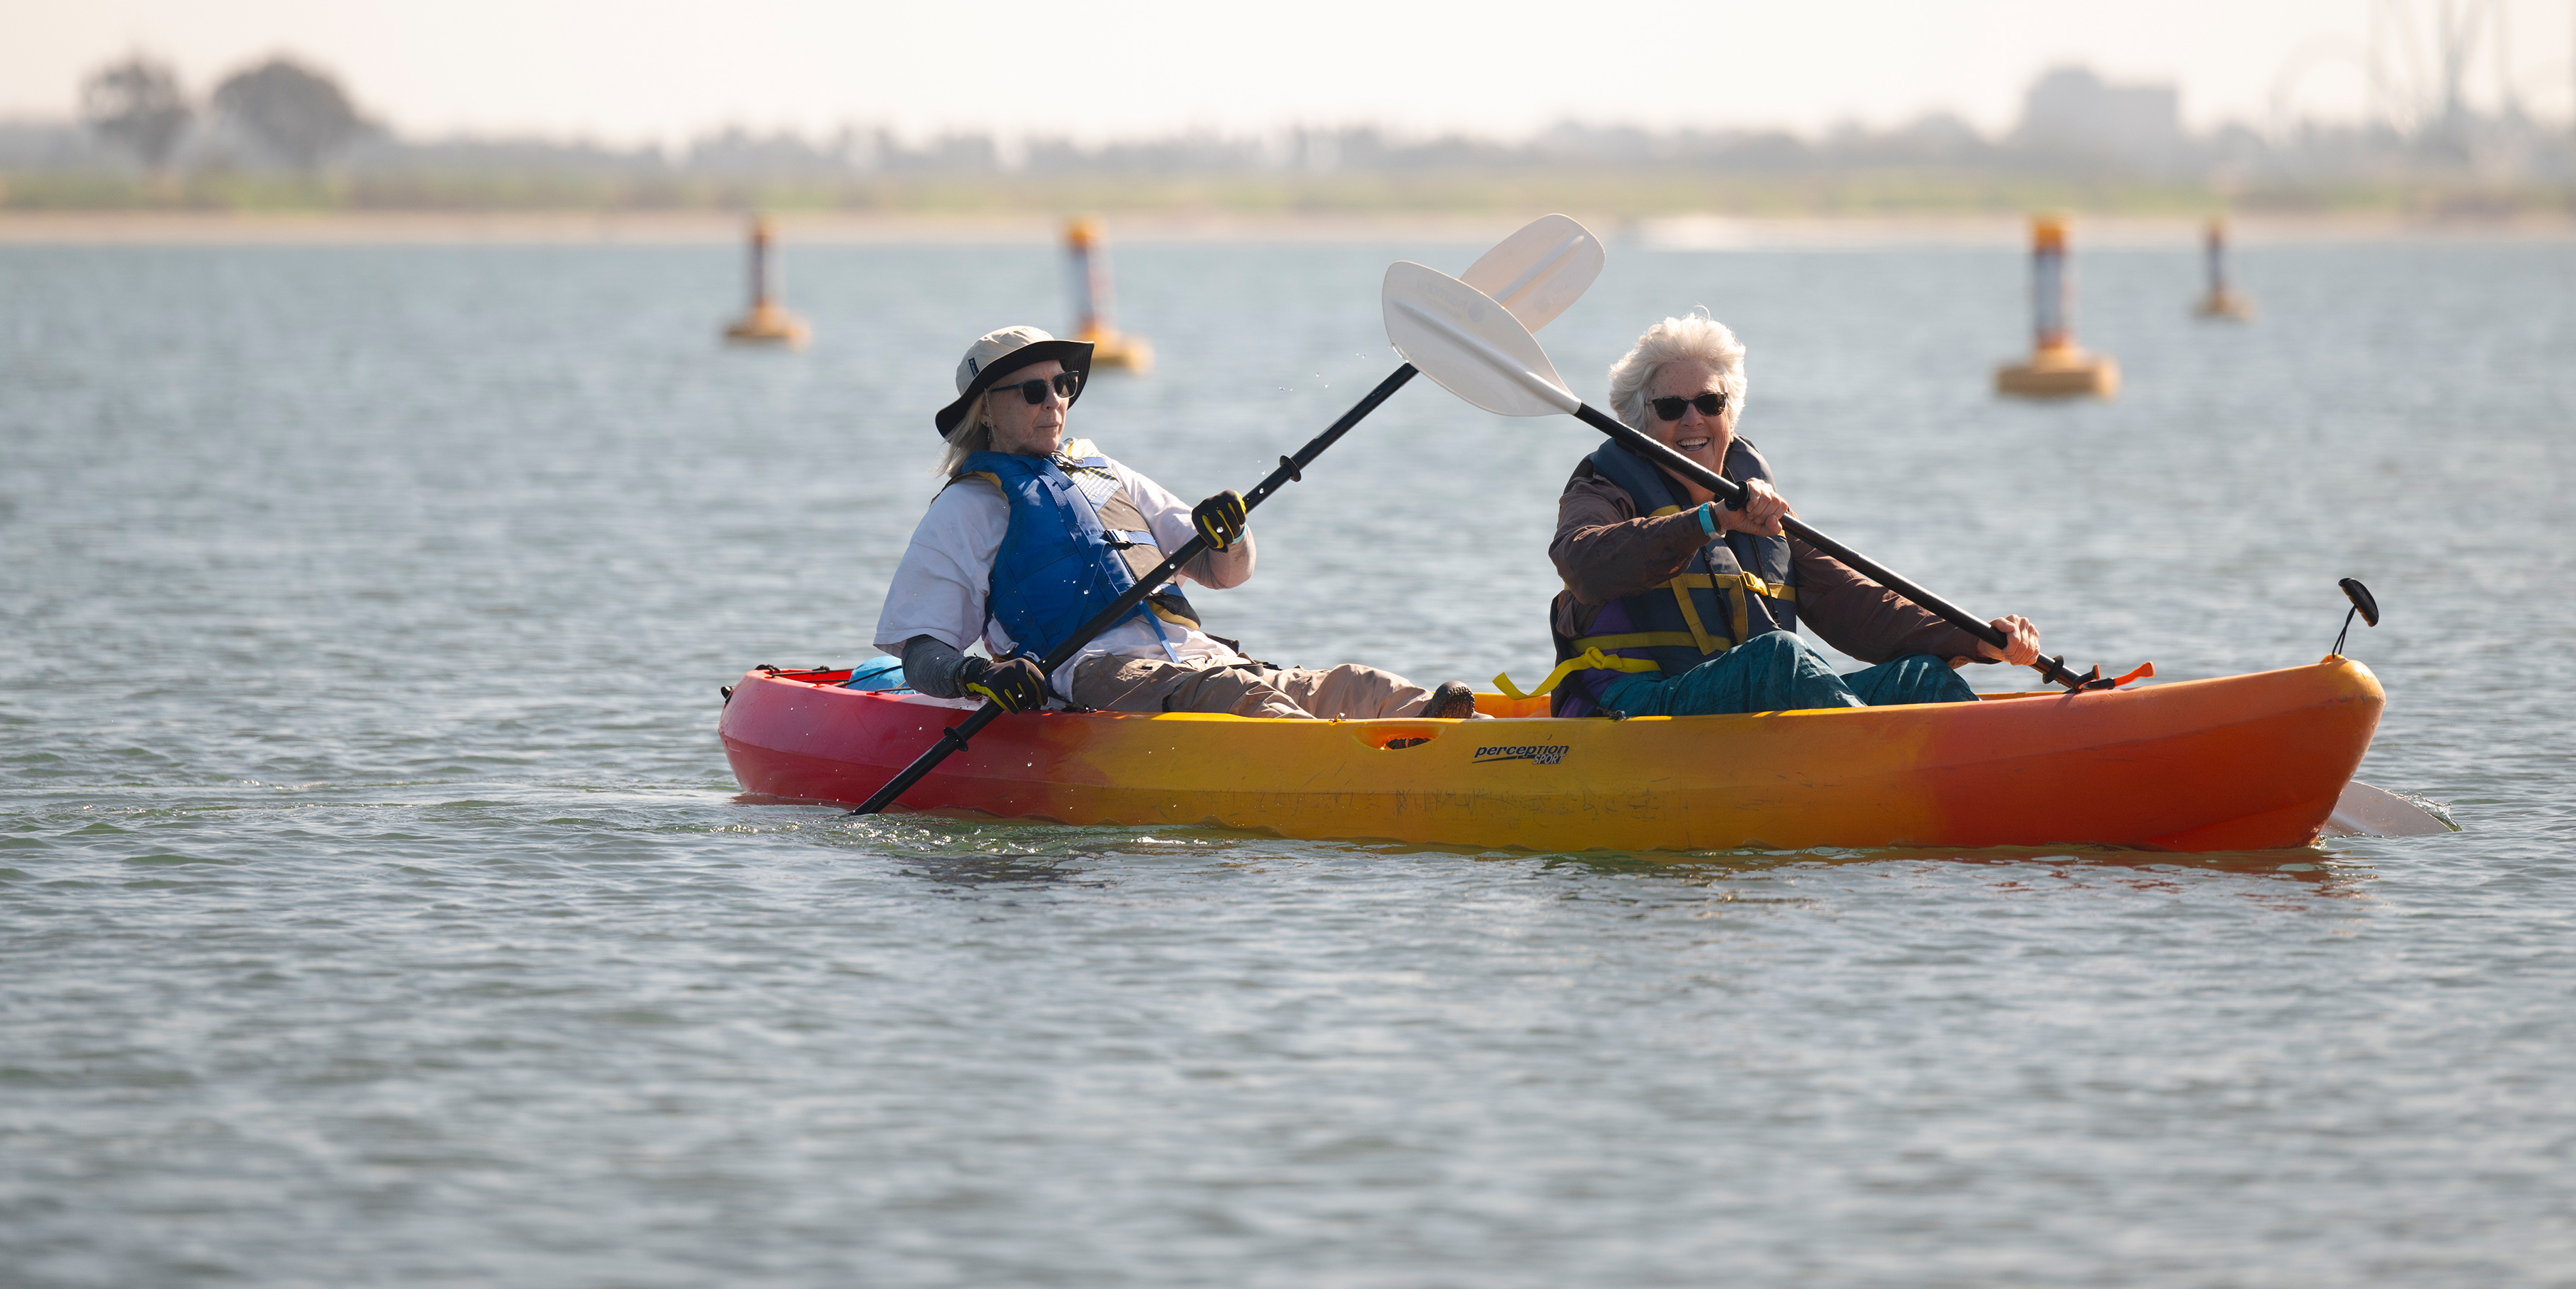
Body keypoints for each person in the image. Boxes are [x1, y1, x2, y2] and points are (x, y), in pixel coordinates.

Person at [876, 326, 1480, 720]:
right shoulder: (966, 508)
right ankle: (1350, 764)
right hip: (1092, 674)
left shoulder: (1104, 473)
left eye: (1063, 384)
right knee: (1234, 697)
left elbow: (1223, 572)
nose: (1055, 401)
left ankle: (1464, 738)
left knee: (1354, 686)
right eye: (1033, 391)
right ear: (986, 410)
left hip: (1196, 656)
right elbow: (921, 650)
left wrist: (1230, 531)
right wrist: (978, 675)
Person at [1528, 311, 2047, 718]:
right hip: (1634, 711)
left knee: (1920, 678)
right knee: (1777, 655)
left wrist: (1977, 640)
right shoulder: (1603, 487)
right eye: (1671, 408)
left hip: (1734, 712)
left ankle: (1990, 772)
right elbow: (1583, 563)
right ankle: (1876, 763)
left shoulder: (1755, 503)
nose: (1693, 419)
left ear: (1730, 412)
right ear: (1641, 422)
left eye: (1710, 402)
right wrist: (1709, 521)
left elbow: (1857, 605)